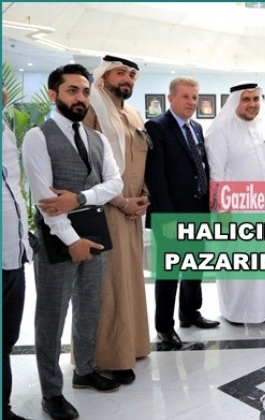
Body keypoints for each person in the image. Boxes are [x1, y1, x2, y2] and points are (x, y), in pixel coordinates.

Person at [23, 63, 124, 420]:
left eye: (84, 91)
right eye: (72, 91)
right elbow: (45, 200)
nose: (80, 97)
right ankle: (51, 392)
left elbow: (115, 184)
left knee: (89, 306)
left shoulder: (97, 137)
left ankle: (84, 371)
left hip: (95, 232)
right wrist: (72, 240)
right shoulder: (37, 136)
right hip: (57, 239)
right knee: (51, 316)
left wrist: (80, 197)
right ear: (54, 94)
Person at [83, 55, 151, 385]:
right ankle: (108, 357)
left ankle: (132, 346)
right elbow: (87, 165)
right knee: (109, 285)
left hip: (132, 212)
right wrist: (121, 200)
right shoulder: (91, 109)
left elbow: (141, 160)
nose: (127, 79)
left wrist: (143, 196)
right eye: (120, 73)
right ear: (103, 76)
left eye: (131, 75)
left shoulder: (133, 114)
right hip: (105, 210)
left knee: (130, 282)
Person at [145, 76, 219, 350]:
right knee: (170, 271)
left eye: (194, 97)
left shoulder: (196, 128)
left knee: (194, 266)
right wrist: (167, 218)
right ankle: (164, 327)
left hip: (198, 210)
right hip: (172, 214)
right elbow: (156, 176)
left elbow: (201, 167)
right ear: (171, 98)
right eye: (185, 96)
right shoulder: (157, 126)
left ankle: (190, 313)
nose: (191, 102)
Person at [205, 82, 265, 323]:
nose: (252, 104)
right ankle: (236, 312)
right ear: (235, 102)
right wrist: (223, 213)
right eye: (246, 99)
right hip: (236, 211)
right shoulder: (221, 131)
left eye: (256, 99)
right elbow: (216, 175)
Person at [3, 85, 33, 420]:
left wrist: (25, 239)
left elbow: (12, 189)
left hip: (14, 254)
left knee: (6, 339)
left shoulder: (6, 130)